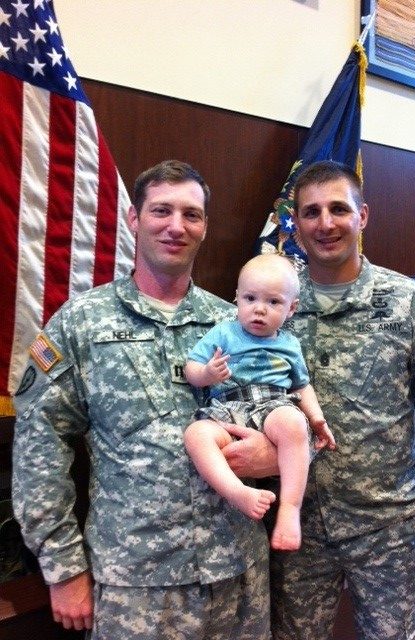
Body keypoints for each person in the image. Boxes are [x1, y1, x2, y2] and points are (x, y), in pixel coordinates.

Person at [12, 160, 271, 640]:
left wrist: (271, 454)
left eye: (191, 215)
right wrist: (64, 566)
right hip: (137, 584)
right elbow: (39, 447)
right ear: (134, 218)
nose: (176, 226)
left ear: (205, 227)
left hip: (236, 575)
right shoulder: (80, 323)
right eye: (161, 211)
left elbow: (283, 416)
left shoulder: (237, 326)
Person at [223, 160, 415, 640]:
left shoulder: (408, 303)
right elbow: (236, 399)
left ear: (363, 216)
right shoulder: (265, 305)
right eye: (311, 212)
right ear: (294, 224)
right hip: (297, 527)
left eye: (338, 209)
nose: (325, 223)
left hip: (387, 527)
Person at [184, 254, 336, 551]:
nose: (259, 310)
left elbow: (302, 385)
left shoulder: (289, 344)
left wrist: (317, 420)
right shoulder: (223, 332)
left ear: (291, 308)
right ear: (237, 298)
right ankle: (237, 492)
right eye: (250, 298)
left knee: (293, 424)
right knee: (196, 434)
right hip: (225, 408)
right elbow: (191, 368)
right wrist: (206, 373)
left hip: (272, 404)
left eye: (273, 302)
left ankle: (289, 508)